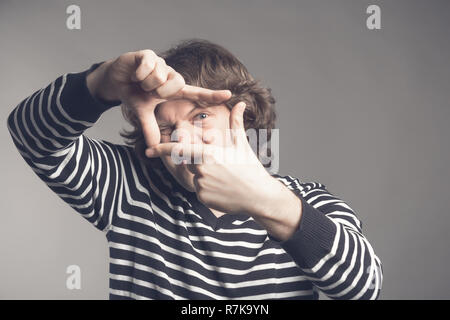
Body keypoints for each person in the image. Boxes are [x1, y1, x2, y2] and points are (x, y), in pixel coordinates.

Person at [7, 39, 383, 300]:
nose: (183, 138)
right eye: (167, 126)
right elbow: (31, 134)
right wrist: (100, 83)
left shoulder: (309, 201)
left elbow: (363, 287)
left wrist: (266, 201)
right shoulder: (130, 188)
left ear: (244, 115)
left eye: (200, 116)